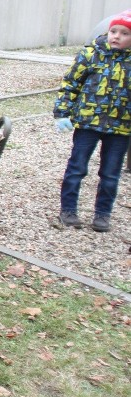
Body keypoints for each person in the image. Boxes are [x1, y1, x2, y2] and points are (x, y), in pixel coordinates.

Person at [53, 12, 131, 233]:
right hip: (88, 123)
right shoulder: (91, 55)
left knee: (110, 174)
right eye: (114, 31)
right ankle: (68, 209)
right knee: (77, 168)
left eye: (124, 33)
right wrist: (62, 113)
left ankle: (103, 214)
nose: (116, 36)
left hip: (120, 127)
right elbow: (70, 84)